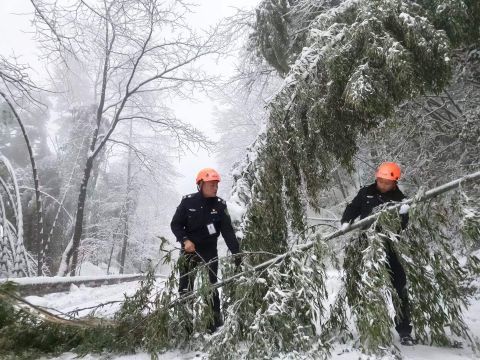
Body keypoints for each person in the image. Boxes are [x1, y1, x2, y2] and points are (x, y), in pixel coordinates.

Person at [340, 162, 415, 346]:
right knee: (368, 288)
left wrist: (390, 221)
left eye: (387, 182)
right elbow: (352, 208)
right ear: (376, 177)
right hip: (366, 247)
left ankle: (404, 330)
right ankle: (370, 328)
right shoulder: (366, 192)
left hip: (390, 248)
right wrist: (345, 222)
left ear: (395, 182)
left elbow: (402, 224)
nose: (383, 184)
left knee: (399, 287)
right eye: (381, 180)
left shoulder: (400, 199)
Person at [170, 167, 241, 332]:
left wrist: (237, 253)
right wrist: (185, 240)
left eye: (216, 185)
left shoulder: (220, 205)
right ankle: (185, 325)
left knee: (211, 287)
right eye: (211, 185)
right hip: (189, 252)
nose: (215, 188)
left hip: (210, 252)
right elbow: (176, 224)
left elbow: (228, 232)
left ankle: (213, 325)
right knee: (186, 288)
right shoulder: (188, 202)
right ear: (200, 185)